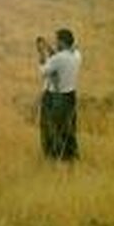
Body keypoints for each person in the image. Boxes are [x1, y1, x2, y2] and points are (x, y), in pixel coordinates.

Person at [37, 28, 81, 161]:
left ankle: (54, 157)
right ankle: (70, 156)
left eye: (56, 40)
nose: (55, 43)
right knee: (68, 127)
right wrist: (51, 50)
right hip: (70, 96)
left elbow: (43, 71)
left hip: (55, 97)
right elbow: (63, 57)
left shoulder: (58, 59)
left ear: (62, 42)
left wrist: (41, 54)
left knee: (50, 127)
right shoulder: (77, 55)